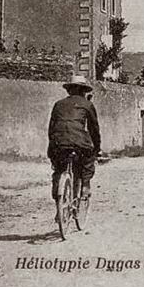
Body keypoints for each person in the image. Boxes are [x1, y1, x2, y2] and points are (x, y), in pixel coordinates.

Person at [47, 74, 101, 205]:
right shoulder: (87, 104)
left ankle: (58, 201)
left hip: (59, 143)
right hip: (80, 143)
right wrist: (97, 148)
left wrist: (52, 146)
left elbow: (51, 128)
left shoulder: (58, 104)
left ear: (69, 90)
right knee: (88, 161)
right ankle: (86, 186)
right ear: (83, 91)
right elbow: (94, 129)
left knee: (59, 169)